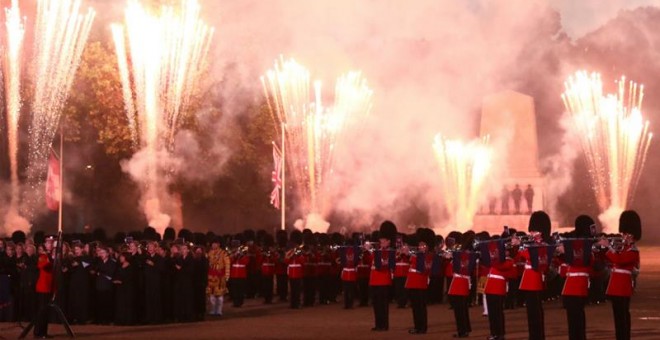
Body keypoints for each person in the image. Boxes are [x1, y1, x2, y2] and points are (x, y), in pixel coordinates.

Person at [600, 210, 642, 340]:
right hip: (616, 286)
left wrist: (608, 248)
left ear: (632, 235)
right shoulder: (623, 247)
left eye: (626, 233)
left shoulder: (633, 250)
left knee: (622, 318)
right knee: (620, 317)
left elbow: (619, 260)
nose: (624, 236)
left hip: (622, 286)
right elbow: (612, 259)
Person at [518, 211, 553, 340]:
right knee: (532, 312)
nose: (531, 233)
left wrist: (521, 248)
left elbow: (534, 258)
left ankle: (537, 336)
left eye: (534, 230)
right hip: (529, 280)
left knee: (535, 312)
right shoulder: (534, 242)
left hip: (534, 280)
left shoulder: (542, 243)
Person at [561, 215, 595, 340]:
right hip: (570, 286)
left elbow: (583, 262)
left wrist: (566, 251)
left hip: (579, 285)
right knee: (573, 319)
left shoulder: (587, 247)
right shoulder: (577, 243)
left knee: (577, 318)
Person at [482, 237, 515, 340]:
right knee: (492, 314)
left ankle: (500, 334)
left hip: (498, 288)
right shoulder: (491, 261)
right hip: (489, 287)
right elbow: (483, 271)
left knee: (498, 313)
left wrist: (492, 259)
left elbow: (502, 267)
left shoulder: (508, 261)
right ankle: (494, 333)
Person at [405, 228, 435, 335]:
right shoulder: (419, 254)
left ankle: (422, 327)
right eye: (420, 244)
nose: (421, 246)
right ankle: (418, 327)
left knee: (420, 307)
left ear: (428, 246)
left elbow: (422, 268)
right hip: (413, 282)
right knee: (416, 307)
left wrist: (413, 254)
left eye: (423, 245)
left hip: (420, 282)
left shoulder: (428, 255)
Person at [447, 233, 476, 338]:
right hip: (462, 282)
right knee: (462, 307)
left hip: (460, 282)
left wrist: (452, 255)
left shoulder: (463, 254)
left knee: (459, 309)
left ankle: (462, 331)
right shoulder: (468, 253)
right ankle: (466, 328)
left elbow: (459, 267)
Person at [369, 221, 397, 331]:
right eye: (381, 240)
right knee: (376, 304)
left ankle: (384, 325)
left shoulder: (390, 252)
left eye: (384, 240)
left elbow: (387, 264)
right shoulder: (376, 251)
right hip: (374, 280)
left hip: (384, 280)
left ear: (389, 241)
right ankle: (378, 324)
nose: (381, 242)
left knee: (383, 305)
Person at [33, 237, 54, 338]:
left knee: (45, 311)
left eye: (51, 243)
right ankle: (38, 332)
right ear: (45, 245)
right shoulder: (43, 256)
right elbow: (43, 266)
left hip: (48, 287)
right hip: (43, 287)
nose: (51, 245)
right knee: (42, 311)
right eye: (49, 243)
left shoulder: (48, 256)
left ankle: (43, 332)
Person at [68, 242, 92, 324]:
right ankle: (73, 317)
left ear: (82, 249)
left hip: (83, 282)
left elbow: (87, 267)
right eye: (75, 249)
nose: (76, 251)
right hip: (74, 282)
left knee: (82, 300)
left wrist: (79, 264)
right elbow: (70, 270)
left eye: (78, 249)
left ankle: (82, 319)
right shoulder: (73, 259)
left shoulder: (86, 258)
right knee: (74, 299)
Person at [93, 245, 116, 324]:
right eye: (100, 252)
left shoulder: (112, 262)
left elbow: (111, 274)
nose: (101, 254)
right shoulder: (98, 262)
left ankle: (108, 319)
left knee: (107, 304)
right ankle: (100, 319)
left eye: (103, 252)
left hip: (107, 286)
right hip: (99, 286)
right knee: (100, 303)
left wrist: (101, 273)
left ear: (107, 254)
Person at [207, 238, 230, 316]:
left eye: (215, 243)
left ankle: (219, 310)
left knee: (219, 295)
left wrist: (227, 275)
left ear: (218, 244)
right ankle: (213, 310)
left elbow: (227, 264)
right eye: (212, 244)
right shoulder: (209, 253)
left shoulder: (223, 253)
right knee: (211, 295)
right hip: (210, 277)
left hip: (220, 277)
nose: (213, 245)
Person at [143, 241, 164, 324]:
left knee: (156, 299)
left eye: (152, 247)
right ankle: (149, 317)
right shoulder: (146, 258)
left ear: (155, 248)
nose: (150, 249)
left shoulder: (159, 258)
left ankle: (157, 318)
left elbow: (162, 269)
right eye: (149, 247)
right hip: (148, 282)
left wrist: (153, 264)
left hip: (156, 282)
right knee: (148, 299)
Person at [113, 252, 136, 325]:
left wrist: (121, 280)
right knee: (120, 304)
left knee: (127, 304)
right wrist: (116, 280)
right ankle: (121, 320)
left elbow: (130, 277)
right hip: (120, 288)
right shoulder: (119, 265)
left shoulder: (130, 266)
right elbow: (116, 274)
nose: (120, 258)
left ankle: (128, 320)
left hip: (127, 288)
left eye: (122, 257)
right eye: (120, 257)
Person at [174, 243, 195, 322]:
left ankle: (188, 316)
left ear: (188, 250)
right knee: (181, 299)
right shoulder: (179, 259)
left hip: (188, 282)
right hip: (180, 282)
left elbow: (191, 270)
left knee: (188, 299)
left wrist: (181, 269)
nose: (183, 250)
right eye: (182, 249)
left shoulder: (191, 259)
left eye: (184, 249)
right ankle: (181, 316)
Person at [285, 230, 306, 309]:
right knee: (293, 289)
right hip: (291, 271)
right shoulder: (290, 251)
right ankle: (293, 303)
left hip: (298, 271)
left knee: (297, 289)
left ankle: (297, 303)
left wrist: (299, 255)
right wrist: (292, 255)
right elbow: (286, 260)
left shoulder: (300, 250)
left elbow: (303, 261)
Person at [339, 240, 359, 309]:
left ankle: (347, 304)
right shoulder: (355, 251)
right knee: (350, 290)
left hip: (347, 272)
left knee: (347, 291)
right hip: (350, 273)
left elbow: (342, 261)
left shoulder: (343, 251)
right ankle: (349, 304)